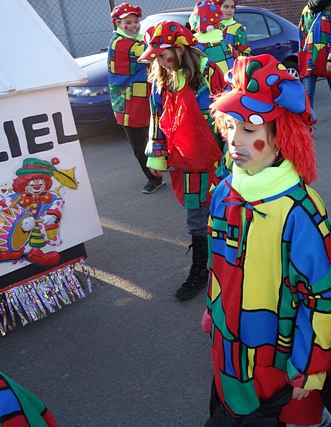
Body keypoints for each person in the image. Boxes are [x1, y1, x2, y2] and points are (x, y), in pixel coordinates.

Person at [204, 54, 331, 427]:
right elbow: (216, 264)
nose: (235, 139)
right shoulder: (224, 191)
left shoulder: (300, 211)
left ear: (281, 139)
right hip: (230, 348)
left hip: (278, 367)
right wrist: (212, 308)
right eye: (231, 126)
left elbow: (322, 298)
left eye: (250, 130)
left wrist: (309, 366)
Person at [139, 21, 226, 301]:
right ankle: (200, 270)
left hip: (218, 157)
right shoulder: (159, 80)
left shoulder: (209, 72)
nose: (162, 62)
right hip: (185, 162)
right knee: (196, 218)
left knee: (227, 211)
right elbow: (156, 119)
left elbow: (226, 115)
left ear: (180, 49)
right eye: (156, 58)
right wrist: (156, 155)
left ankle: (235, 266)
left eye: (165, 55)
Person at [107, 3, 163, 194]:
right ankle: (153, 178)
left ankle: (161, 168)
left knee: (158, 133)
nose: (133, 25)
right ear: (118, 23)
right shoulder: (122, 43)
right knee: (139, 143)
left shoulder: (138, 39)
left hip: (144, 98)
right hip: (130, 103)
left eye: (136, 21)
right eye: (127, 22)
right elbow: (151, 54)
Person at [299, 0, 331, 129]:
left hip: (327, 56)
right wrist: (301, 55)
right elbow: (302, 33)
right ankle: (308, 124)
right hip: (310, 56)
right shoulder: (306, 10)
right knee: (307, 93)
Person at [218, 0, 252, 68]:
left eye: (232, 7)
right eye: (226, 7)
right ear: (218, 8)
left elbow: (245, 53)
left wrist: (233, 52)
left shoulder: (238, 28)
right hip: (215, 71)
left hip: (232, 70)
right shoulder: (212, 27)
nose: (230, 10)